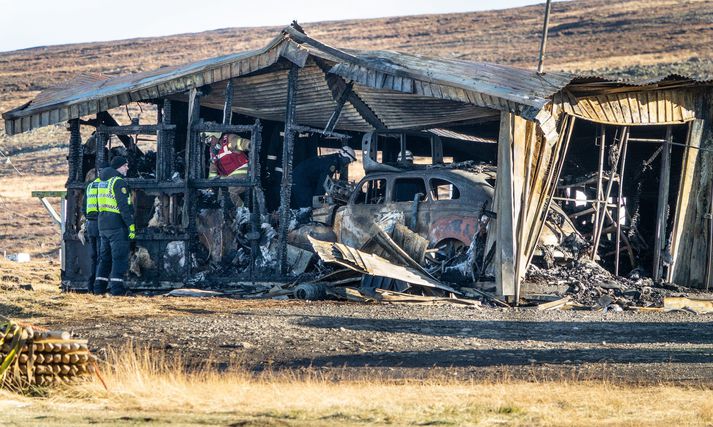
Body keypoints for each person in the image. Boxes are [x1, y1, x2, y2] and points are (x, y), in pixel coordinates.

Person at [94, 156, 135, 296]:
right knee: (119, 257)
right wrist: (131, 226)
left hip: (103, 225)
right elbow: (123, 207)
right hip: (117, 226)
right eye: (125, 166)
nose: (127, 168)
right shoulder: (118, 182)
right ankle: (117, 289)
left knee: (104, 258)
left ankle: (99, 288)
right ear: (119, 167)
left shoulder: (102, 183)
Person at [291, 146, 356, 209]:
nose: (347, 164)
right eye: (348, 162)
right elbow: (323, 183)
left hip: (302, 177)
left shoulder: (333, 159)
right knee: (307, 206)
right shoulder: (332, 164)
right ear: (344, 157)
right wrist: (318, 201)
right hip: (301, 179)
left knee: (310, 202)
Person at [206, 132, 250, 207]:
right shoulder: (213, 151)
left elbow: (239, 142)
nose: (208, 143)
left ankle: (243, 212)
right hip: (229, 178)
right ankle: (226, 215)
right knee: (221, 194)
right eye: (206, 141)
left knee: (230, 191)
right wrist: (210, 187)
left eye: (209, 139)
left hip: (243, 174)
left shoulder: (229, 139)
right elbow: (212, 171)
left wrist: (248, 145)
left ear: (216, 134)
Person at [82, 169, 101, 293]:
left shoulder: (88, 188)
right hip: (101, 224)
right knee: (101, 256)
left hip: (90, 224)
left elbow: (84, 208)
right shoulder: (103, 187)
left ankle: (91, 285)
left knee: (94, 256)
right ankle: (98, 285)